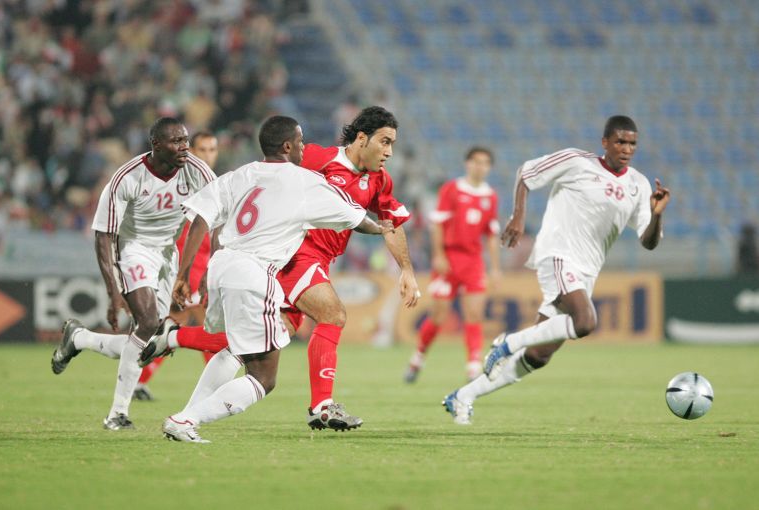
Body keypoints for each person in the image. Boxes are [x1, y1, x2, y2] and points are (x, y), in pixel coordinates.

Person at [140, 106, 420, 431]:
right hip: (295, 256)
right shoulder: (315, 158)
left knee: (264, 339)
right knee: (333, 315)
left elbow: (391, 225)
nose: (389, 152)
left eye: (392, 144)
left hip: (311, 263)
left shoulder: (380, 181)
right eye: (384, 142)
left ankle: (175, 343)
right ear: (361, 138)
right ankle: (322, 406)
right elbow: (269, 179)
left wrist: (406, 270)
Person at [442, 115, 671, 425]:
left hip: (587, 271)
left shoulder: (638, 185)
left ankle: (463, 396)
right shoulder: (577, 162)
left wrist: (657, 214)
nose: (626, 149)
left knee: (539, 355)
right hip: (559, 255)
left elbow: (649, 242)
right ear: (605, 142)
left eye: (632, 143)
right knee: (585, 322)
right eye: (620, 141)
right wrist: (519, 216)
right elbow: (526, 173)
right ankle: (508, 343)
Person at [50, 117, 217, 430]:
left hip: (168, 252)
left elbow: (215, 218)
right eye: (176, 142)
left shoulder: (197, 171)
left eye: (185, 140)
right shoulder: (126, 178)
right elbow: (103, 235)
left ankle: (80, 338)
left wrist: (205, 269)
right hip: (133, 248)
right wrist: (113, 291)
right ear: (156, 145)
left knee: (148, 339)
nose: (184, 147)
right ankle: (117, 414)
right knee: (149, 322)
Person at [134, 131, 220, 401]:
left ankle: (138, 378)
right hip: (184, 269)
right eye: (202, 149)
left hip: (203, 268)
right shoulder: (182, 184)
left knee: (175, 325)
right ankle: (215, 389)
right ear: (191, 152)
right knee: (207, 328)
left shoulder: (215, 185)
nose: (208, 155)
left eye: (212, 149)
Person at [404, 147, 501, 383]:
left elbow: (490, 234)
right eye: (476, 161)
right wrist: (438, 255)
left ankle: (473, 367)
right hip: (449, 259)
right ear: (467, 164)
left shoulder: (490, 196)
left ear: (489, 167)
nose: (479, 166)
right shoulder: (452, 189)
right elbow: (438, 223)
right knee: (439, 316)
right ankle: (418, 358)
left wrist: (495, 267)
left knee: (474, 314)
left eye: (484, 163)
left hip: (473, 261)